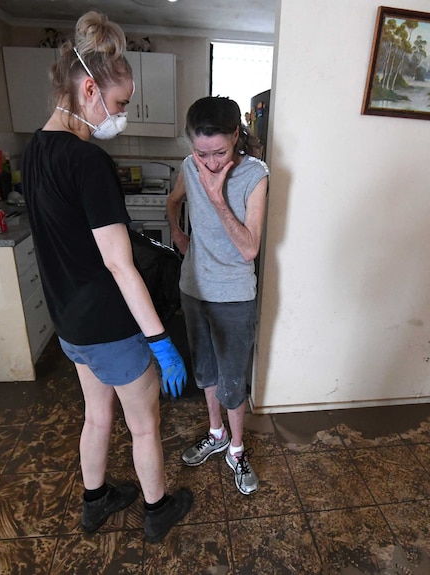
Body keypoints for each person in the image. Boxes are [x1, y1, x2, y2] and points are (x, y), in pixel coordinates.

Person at [20, 10, 192, 542]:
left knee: (97, 417)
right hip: (111, 325)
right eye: (119, 104)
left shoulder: (34, 150)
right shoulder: (87, 161)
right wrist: (160, 340)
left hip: (70, 324)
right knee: (144, 424)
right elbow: (119, 263)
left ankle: (95, 503)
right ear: (89, 89)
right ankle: (157, 510)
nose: (121, 116)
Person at [166, 96, 269, 495]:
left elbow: (249, 249)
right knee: (205, 372)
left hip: (233, 295)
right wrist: (177, 232)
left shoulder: (255, 176)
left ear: (236, 138)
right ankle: (216, 433)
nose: (209, 163)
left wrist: (215, 197)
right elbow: (173, 200)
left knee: (231, 380)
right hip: (193, 289)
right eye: (200, 153)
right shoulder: (188, 166)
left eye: (219, 153)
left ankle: (237, 450)